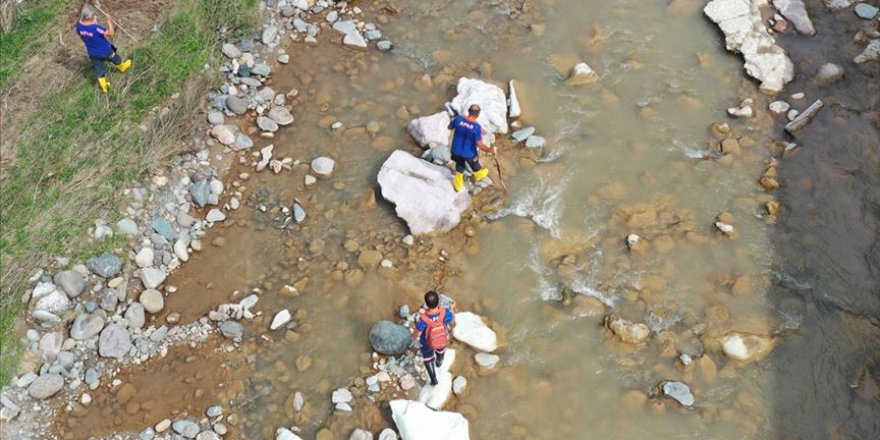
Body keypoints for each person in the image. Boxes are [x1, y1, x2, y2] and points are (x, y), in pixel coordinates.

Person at [76, 4, 132, 93]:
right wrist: (108, 21)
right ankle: (123, 67)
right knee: (116, 58)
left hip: (93, 54)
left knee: (99, 70)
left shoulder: (78, 26)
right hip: (106, 51)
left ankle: (104, 88)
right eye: (94, 15)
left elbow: (82, 34)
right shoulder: (96, 28)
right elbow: (111, 33)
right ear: (90, 17)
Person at [448, 104, 496, 192]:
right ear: (478, 114)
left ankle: (458, 185)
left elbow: (450, 127)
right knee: (475, 165)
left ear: (469, 111)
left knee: (460, 164)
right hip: (469, 153)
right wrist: (490, 150)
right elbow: (479, 145)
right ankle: (478, 175)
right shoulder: (476, 128)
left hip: (455, 150)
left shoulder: (458, 119)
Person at [413, 290, 455, 386]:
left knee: (428, 359)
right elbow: (451, 317)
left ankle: (433, 379)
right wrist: (452, 308)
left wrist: (414, 338)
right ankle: (439, 362)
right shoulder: (445, 313)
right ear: (438, 302)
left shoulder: (423, 319)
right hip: (441, 338)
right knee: (441, 351)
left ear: (426, 304)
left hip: (427, 342)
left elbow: (418, 334)